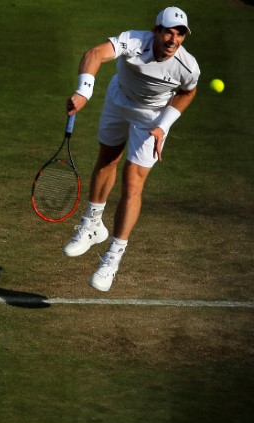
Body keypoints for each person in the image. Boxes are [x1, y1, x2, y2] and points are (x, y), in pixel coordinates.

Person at [63, 6, 200, 291]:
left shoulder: (187, 67)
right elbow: (94, 55)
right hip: (118, 100)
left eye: (180, 34)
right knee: (107, 158)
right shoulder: (134, 41)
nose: (173, 40)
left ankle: (112, 257)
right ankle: (92, 225)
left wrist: (165, 124)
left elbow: (188, 91)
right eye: (168, 32)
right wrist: (84, 91)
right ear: (156, 31)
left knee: (133, 179)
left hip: (151, 117)